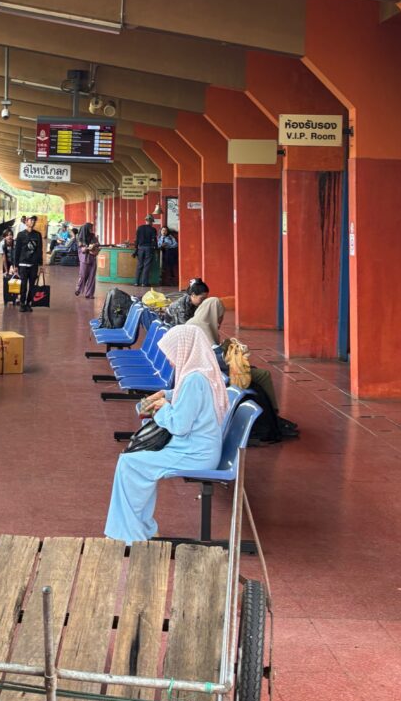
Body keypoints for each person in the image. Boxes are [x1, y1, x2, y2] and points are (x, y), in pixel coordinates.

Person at [104, 325, 227, 543]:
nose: (170, 360)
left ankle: (132, 534)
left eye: (172, 354)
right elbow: (190, 397)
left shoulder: (193, 379)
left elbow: (179, 425)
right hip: (200, 448)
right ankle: (140, 528)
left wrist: (161, 407)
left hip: (194, 453)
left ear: (185, 350)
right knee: (132, 464)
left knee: (129, 464)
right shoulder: (201, 373)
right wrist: (167, 394)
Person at [191, 297, 299, 440]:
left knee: (252, 373)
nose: (220, 320)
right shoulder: (202, 329)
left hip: (209, 369)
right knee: (263, 375)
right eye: (220, 316)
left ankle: (271, 416)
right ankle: (273, 415)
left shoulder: (198, 323)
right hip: (215, 372)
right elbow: (216, 359)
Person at [13, 215, 43, 312]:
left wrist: (40, 265)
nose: (32, 222)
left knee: (32, 285)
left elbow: (39, 250)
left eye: (34, 220)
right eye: (31, 220)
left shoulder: (38, 235)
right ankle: (22, 303)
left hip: (33, 264)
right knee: (23, 285)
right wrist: (15, 265)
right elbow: (17, 250)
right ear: (26, 222)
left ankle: (28, 303)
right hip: (23, 264)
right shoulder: (21, 235)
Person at [75, 222, 100, 299]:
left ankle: (89, 294)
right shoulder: (80, 238)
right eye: (90, 228)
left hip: (92, 259)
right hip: (84, 259)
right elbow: (81, 249)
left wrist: (95, 246)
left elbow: (98, 245)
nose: (91, 229)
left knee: (92, 277)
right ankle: (78, 289)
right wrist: (88, 248)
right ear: (86, 229)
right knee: (83, 276)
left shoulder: (93, 237)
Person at [133, 214, 158, 286]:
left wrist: (136, 249)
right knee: (146, 266)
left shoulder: (140, 228)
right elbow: (154, 240)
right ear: (151, 222)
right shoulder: (153, 229)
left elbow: (137, 240)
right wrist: (155, 248)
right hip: (149, 249)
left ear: (146, 220)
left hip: (140, 248)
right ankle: (144, 283)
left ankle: (136, 282)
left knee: (139, 265)